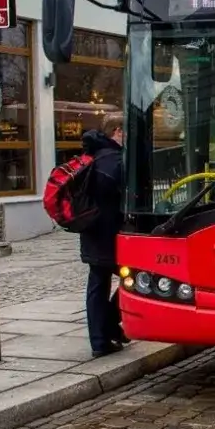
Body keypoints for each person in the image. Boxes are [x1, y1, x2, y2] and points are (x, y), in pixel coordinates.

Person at [79, 114, 128, 357]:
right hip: (112, 233)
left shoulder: (93, 155)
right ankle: (106, 329)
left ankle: (100, 339)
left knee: (97, 285)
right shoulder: (115, 160)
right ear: (117, 131)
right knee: (139, 279)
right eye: (126, 132)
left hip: (92, 231)